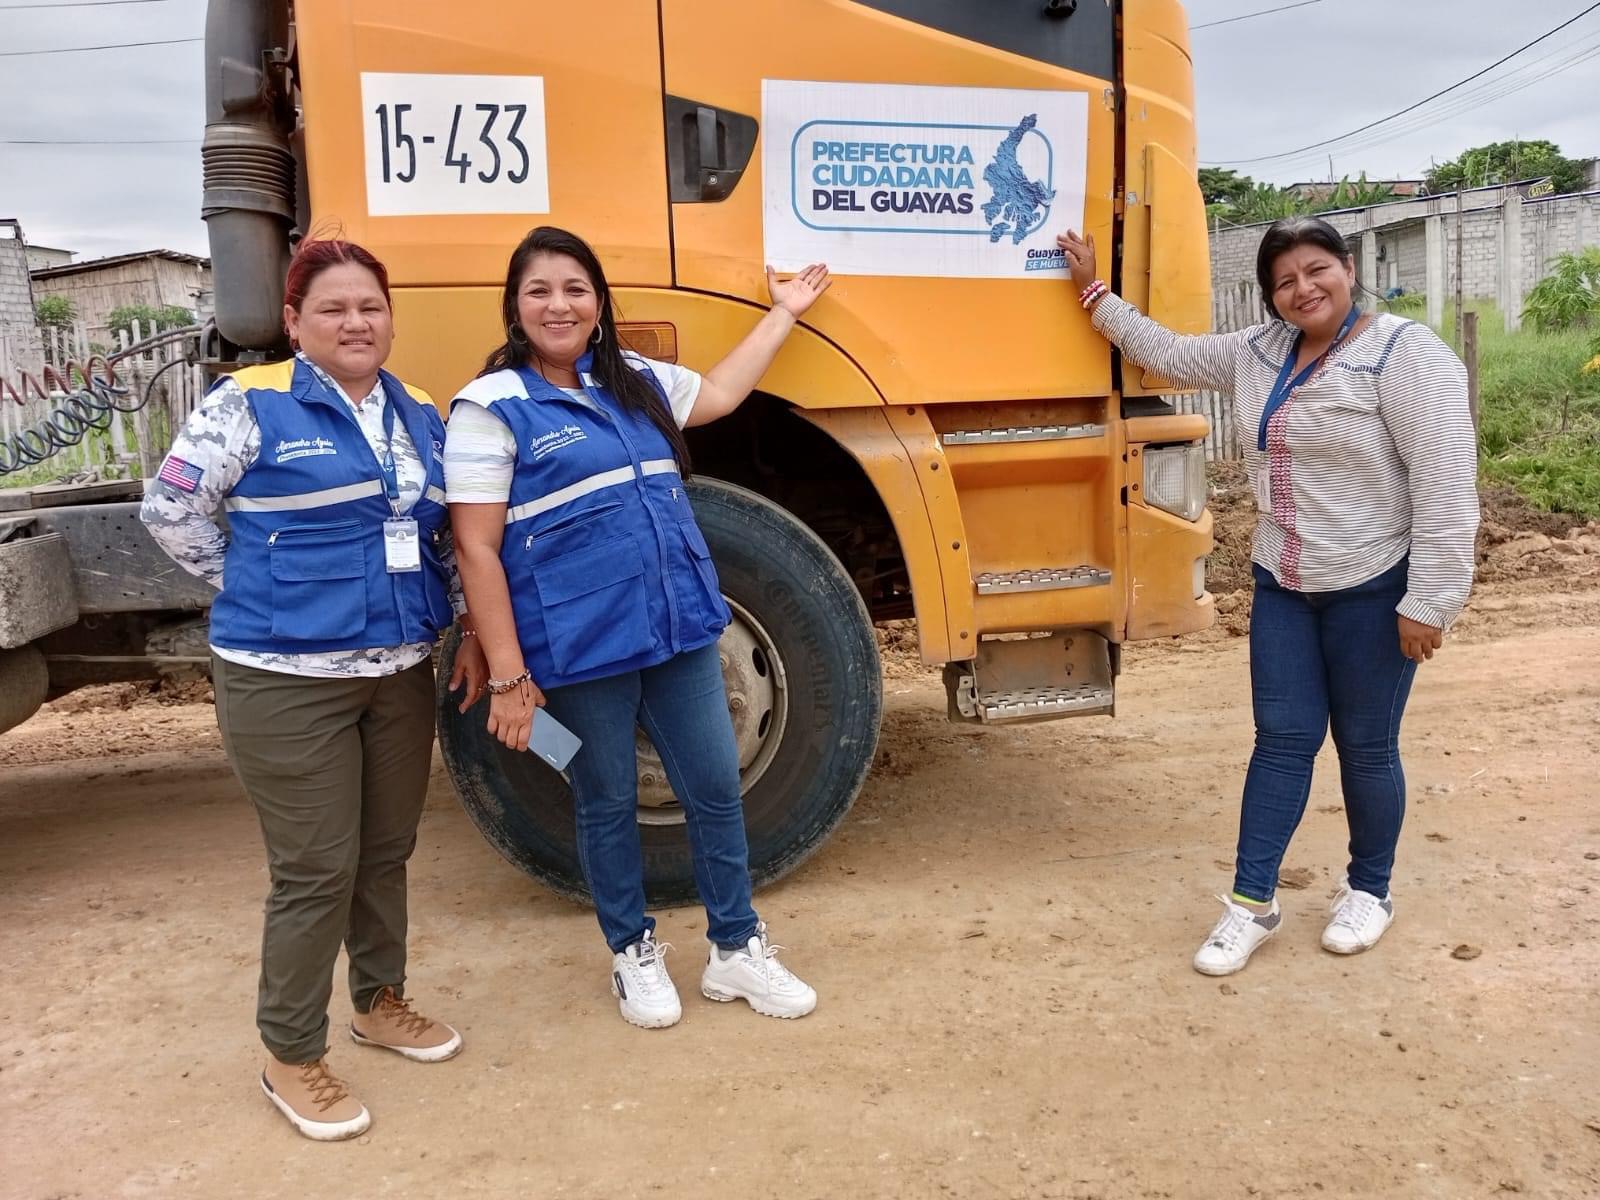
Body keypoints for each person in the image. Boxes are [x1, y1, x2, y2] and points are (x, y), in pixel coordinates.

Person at [1057, 217, 1478, 976]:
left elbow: (1446, 483)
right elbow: (1169, 352)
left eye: (1317, 270)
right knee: (1281, 740)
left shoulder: (1404, 355)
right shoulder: (1259, 351)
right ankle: (1252, 903)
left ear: (1349, 268)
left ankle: (1369, 891)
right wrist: (1093, 292)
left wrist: (1431, 600)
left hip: (1373, 584)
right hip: (1283, 582)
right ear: (1271, 295)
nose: (1302, 289)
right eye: (1284, 281)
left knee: (1366, 745)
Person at [141, 238, 487, 1140]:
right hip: (283, 680)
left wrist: (460, 620)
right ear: (294, 322)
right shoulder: (248, 403)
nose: (355, 322)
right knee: (316, 868)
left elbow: (444, 535)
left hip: (398, 671)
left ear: (390, 318)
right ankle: (291, 1054)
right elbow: (169, 509)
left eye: (370, 306)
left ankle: (378, 1002)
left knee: (385, 850)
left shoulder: (418, 409)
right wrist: (252, 585)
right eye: (332, 308)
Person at [446, 226, 829, 1028]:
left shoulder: (636, 381)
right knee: (606, 798)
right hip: (582, 647)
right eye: (539, 291)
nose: (559, 305)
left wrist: (785, 312)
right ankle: (632, 951)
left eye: (575, 289)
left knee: (715, 788)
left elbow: (720, 394)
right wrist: (510, 675)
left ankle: (735, 948)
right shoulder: (491, 408)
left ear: (599, 302)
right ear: (515, 306)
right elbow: (476, 548)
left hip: (678, 628)